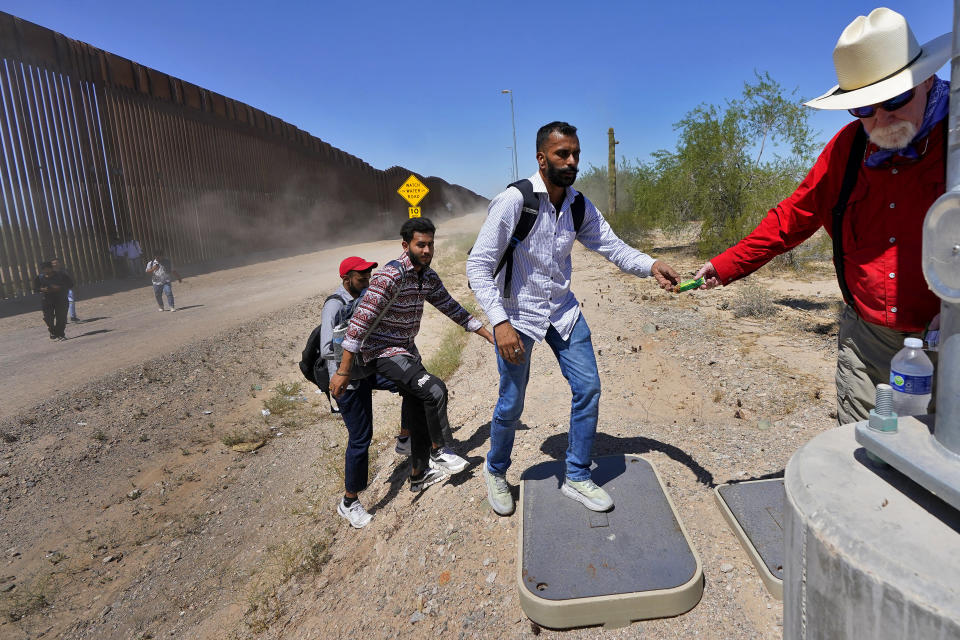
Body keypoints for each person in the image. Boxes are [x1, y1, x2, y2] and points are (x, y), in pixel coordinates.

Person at [693, 8, 949, 425]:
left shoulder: (954, 141)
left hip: (952, 345)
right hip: (868, 345)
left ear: (926, 79)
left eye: (895, 100)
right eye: (863, 108)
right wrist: (725, 265)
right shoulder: (847, 150)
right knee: (865, 460)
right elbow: (791, 217)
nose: (881, 120)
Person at [467, 121, 681, 516]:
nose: (571, 161)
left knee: (589, 388)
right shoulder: (515, 201)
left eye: (576, 154)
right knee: (511, 402)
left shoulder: (578, 204)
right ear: (541, 158)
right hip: (518, 316)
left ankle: (578, 476)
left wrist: (651, 265)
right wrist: (499, 322)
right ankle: (496, 470)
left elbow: (613, 247)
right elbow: (478, 266)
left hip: (563, 311)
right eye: (562, 154)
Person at [331, 218, 496, 493]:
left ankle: (418, 475)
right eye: (421, 244)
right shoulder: (390, 276)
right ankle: (440, 449)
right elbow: (359, 324)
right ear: (406, 245)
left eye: (430, 244)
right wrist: (343, 371)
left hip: (406, 351)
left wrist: (491, 336)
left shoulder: (427, 277)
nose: (427, 250)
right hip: (382, 351)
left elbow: (452, 308)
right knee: (434, 389)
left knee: (420, 404)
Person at [321, 256, 410, 528]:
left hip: (366, 371)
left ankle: (405, 439)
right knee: (361, 439)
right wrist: (353, 346)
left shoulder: (362, 297)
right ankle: (349, 502)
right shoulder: (334, 306)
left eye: (369, 277)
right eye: (361, 279)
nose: (367, 283)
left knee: (409, 383)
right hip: (347, 380)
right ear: (346, 279)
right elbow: (326, 348)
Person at [33, 260, 73, 341]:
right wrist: (42, 289)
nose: (46, 270)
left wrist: (59, 287)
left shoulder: (61, 275)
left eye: (47, 268)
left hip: (61, 299)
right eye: (44, 269)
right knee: (48, 318)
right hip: (47, 300)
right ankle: (53, 331)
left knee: (61, 317)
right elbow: (35, 289)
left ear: (51, 268)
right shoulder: (40, 278)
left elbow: (71, 284)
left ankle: (61, 334)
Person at [50, 257, 79, 322]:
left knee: (71, 301)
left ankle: (72, 317)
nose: (56, 264)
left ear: (59, 263)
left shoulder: (64, 270)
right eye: (54, 263)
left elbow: (70, 279)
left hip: (67, 288)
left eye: (57, 263)